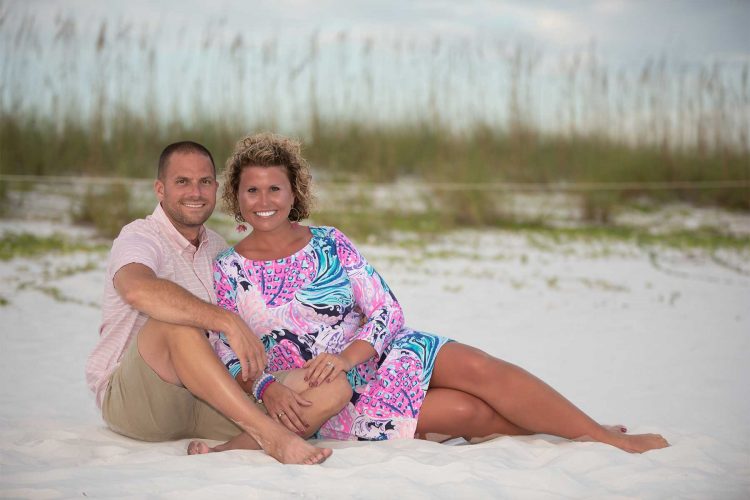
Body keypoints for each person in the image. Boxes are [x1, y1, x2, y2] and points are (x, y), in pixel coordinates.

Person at [189, 133, 669, 454]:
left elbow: (386, 310)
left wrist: (348, 356)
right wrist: (269, 388)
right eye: (253, 191)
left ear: (295, 193)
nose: (266, 201)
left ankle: (602, 438)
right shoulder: (229, 270)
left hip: (376, 354)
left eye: (276, 188)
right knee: (466, 411)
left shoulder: (330, 242)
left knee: (481, 367)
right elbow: (227, 350)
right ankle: (574, 435)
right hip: (328, 397)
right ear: (237, 197)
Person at [85, 141, 352, 465]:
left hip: (208, 395)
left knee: (331, 386)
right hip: (140, 400)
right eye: (182, 181)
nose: (195, 192)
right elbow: (138, 290)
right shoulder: (139, 237)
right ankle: (272, 436)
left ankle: (233, 446)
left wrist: (269, 382)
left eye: (205, 182)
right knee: (176, 326)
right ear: (160, 189)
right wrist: (226, 320)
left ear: (216, 188)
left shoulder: (218, 248)